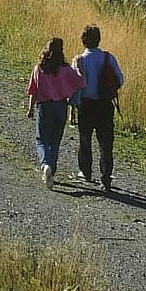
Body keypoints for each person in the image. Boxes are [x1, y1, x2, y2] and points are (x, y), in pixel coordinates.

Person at [74, 24, 124, 192]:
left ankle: (86, 171)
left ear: (83, 41)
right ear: (99, 39)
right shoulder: (108, 58)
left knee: (85, 139)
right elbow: (120, 80)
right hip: (104, 104)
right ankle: (106, 176)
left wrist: (73, 108)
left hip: (86, 105)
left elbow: (76, 86)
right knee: (106, 142)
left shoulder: (80, 60)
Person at [26, 36, 82, 188]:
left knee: (41, 139)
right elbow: (80, 82)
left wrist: (30, 108)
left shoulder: (39, 69)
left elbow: (33, 90)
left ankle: (45, 165)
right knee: (55, 141)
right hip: (60, 106)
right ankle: (53, 169)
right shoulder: (65, 70)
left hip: (44, 106)